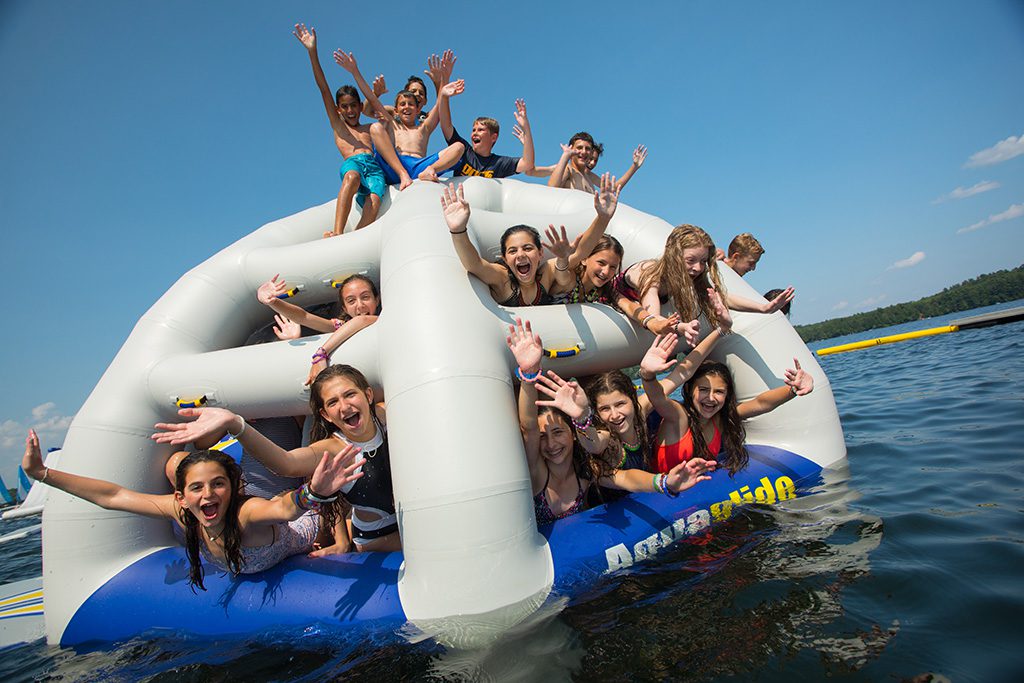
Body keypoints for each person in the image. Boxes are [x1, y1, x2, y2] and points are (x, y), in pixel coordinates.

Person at [22, 429, 364, 590]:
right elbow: (113, 495)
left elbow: (285, 509)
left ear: (231, 488)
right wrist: (44, 474)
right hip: (287, 514)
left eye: (218, 484)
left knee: (321, 506)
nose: (208, 494)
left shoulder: (245, 513)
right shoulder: (181, 511)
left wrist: (313, 493)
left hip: (305, 525)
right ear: (181, 495)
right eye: (197, 487)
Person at [154, 364, 399, 553]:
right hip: (377, 539)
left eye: (350, 395)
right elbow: (285, 463)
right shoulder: (332, 449)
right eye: (333, 402)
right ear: (325, 414)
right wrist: (235, 423)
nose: (344, 406)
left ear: (368, 395)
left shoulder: (387, 413)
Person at [506, 319, 714, 524]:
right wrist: (580, 417)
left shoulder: (638, 413)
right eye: (605, 409)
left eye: (621, 404)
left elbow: (680, 375)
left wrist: (719, 331)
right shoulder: (604, 440)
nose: (614, 415)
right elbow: (594, 445)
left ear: (632, 401)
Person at [638, 330, 814, 475]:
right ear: (691, 390)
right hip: (664, 497)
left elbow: (760, 403)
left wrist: (793, 390)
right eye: (704, 390)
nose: (711, 398)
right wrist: (648, 375)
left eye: (719, 392)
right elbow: (658, 397)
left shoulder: (720, 419)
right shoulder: (678, 416)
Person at [441, 173, 620, 306]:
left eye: (527, 248)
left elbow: (581, 252)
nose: (520, 255)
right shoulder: (503, 279)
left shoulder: (545, 275)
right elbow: (474, 264)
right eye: (512, 251)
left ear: (540, 252)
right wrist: (458, 230)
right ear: (504, 259)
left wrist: (603, 218)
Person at [612, 224, 794, 344]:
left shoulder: (690, 274)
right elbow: (653, 318)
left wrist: (764, 308)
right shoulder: (651, 275)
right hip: (613, 300)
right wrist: (680, 327)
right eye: (690, 260)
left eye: (703, 261)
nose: (698, 268)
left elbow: (721, 298)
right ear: (674, 255)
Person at [293, 24, 388, 238]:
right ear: (339, 109)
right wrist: (312, 51)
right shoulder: (339, 126)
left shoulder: (369, 129)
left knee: (374, 200)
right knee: (352, 176)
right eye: (345, 107)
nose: (350, 110)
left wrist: (376, 94)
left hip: (373, 169)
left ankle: (354, 238)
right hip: (354, 165)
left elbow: (376, 108)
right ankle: (338, 232)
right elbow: (323, 88)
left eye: (354, 105)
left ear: (358, 105)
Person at [336, 49, 465, 188]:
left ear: (417, 110)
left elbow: (440, 103)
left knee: (459, 147)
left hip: (419, 167)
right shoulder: (393, 123)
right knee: (376, 128)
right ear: (396, 110)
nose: (406, 107)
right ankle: (402, 174)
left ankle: (431, 170)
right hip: (395, 167)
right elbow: (372, 99)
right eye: (402, 104)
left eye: (411, 104)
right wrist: (355, 71)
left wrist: (444, 79)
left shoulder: (424, 127)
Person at [256, 273, 380, 385]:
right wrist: (272, 302)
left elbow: (361, 321)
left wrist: (321, 355)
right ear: (345, 308)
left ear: (377, 300)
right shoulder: (340, 327)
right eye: (351, 301)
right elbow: (304, 317)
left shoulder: (383, 319)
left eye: (365, 297)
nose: (360, 305)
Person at [438, 77, 535, 178]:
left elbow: (527, 164)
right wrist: (444, 96)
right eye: (473, 130)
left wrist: (526, 128)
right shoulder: (464, 151)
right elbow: (446, 126)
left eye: (480, 130)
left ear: (493, 137)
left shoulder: (499, 163)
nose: (475, 133)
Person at [546, 132, 647, 194]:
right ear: (571, 149)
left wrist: (635, 166)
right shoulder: (568, 170)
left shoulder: (589, 176)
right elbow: (551, 189)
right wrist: (565, 155)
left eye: (588, 149)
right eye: (579, 148)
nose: (584, 152)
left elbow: (614, 189)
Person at [550, 234, 623, 305]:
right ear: (584, 259)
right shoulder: (570, 281)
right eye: (601, 263)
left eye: (613, 267)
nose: (606, 272)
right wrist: (562, 259)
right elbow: (562, 276)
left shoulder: (600, 291)